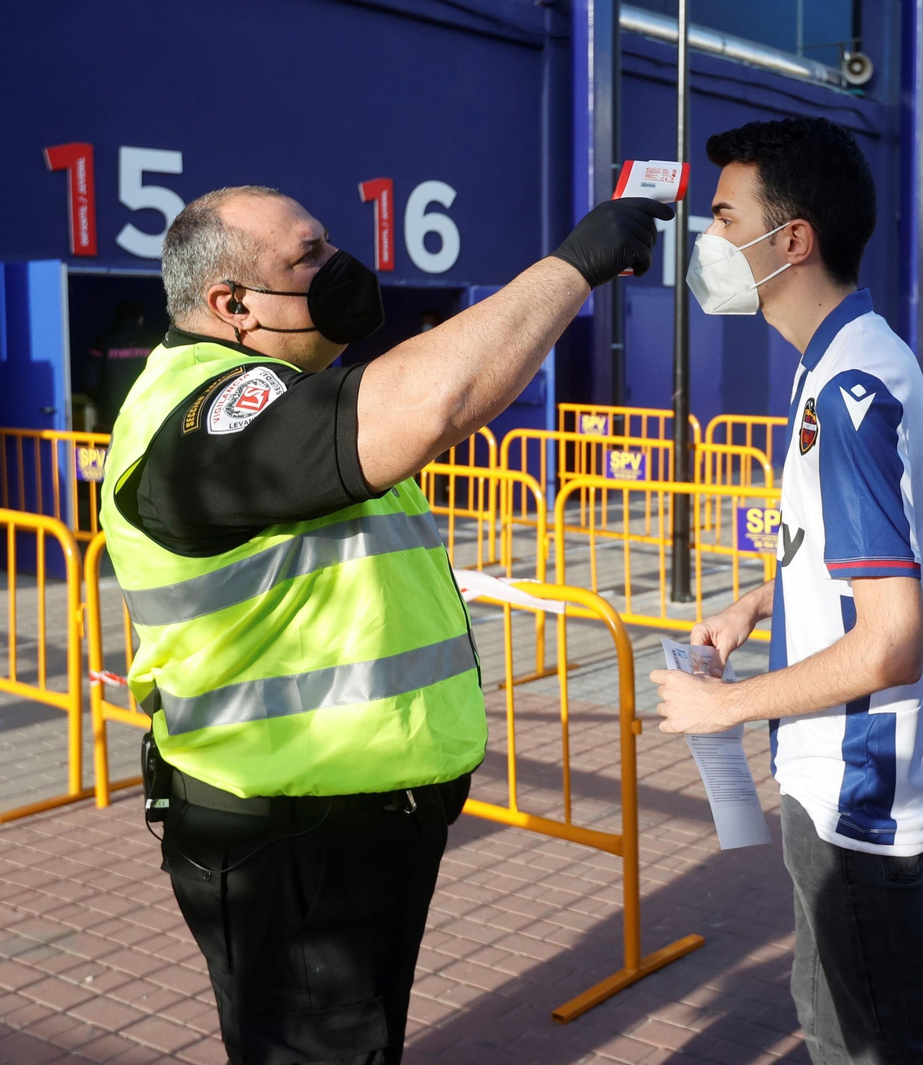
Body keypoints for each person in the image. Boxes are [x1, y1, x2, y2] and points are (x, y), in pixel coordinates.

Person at [99, 185, 670, 1064]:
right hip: (291, 835)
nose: (339, 270)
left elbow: (432, 422)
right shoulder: (208, 415)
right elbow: (430, 400)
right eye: (308, 258)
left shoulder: (285, 393)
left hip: (343, 821)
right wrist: (572, 267)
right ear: (232, 305)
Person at [650, 117, 923, 1065]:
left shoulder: (850, 391)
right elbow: (859, 563)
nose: (707, 242)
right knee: (843, 1026)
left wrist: (723, 705)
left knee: (864, 1044)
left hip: (856, 792)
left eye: (723, 218)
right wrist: (755, 605)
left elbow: (890, 638)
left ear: (793, 240)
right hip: (843, 779)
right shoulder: (842, 363)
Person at [83, 300, 161, 431]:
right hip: (145, 421)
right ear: (140, 319)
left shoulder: (102, 342)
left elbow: (90, 381)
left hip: (110, 420)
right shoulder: (155, 343)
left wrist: (103, 403)